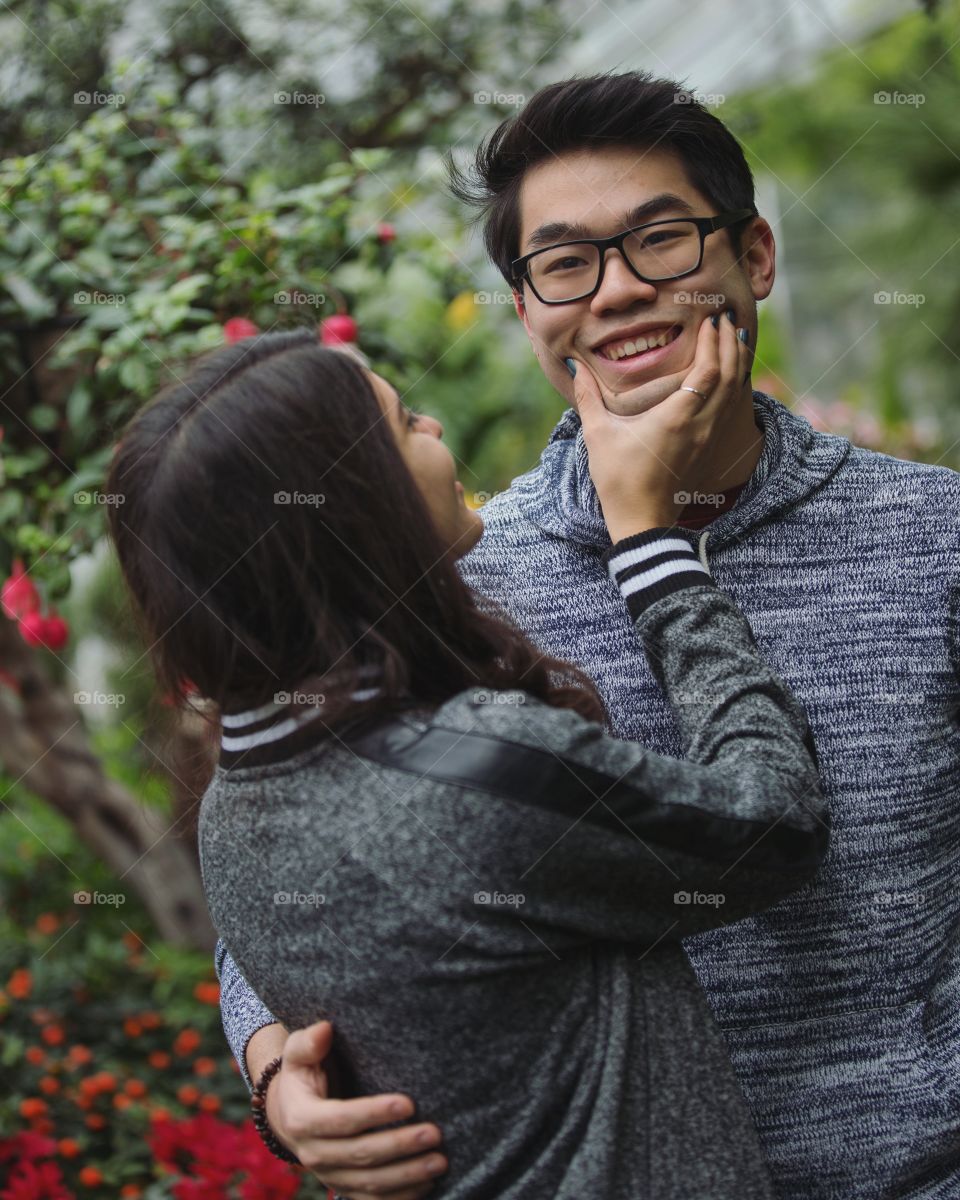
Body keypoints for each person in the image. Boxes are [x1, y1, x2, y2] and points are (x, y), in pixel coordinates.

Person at [214, 71, 960, 1200]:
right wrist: (275, 1067)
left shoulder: (935, 537)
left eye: (662, 239)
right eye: (564, 263)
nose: (616, 292)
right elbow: (306, 851)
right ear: (527, 308)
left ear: (754, 256)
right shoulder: (457, 577)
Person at [104, 316, 827, 1199]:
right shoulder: (476, 772)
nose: (436, 427)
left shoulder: (236, 798)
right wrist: (653, 550)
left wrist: (266, 1071)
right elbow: (777, 824)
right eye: (406, 424)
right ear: (361, 513)